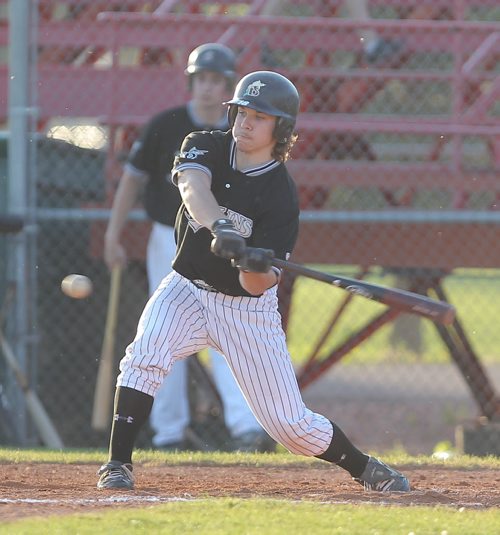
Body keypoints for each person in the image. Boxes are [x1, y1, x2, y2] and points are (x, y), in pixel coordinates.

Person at [96, 70, 410, 493]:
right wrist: (222, 228)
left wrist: (254, 263)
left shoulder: (280, 195)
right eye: (241, 111)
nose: (244, 122)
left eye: (258, 117)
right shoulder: (204, 143)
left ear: (280, 128)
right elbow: (192, 188)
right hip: (186, 287)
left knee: (290, 426)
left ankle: (364, 467)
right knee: (144, 357)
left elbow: (257, 286)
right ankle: (117, 464)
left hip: (244, 311)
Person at [103, 42, 273, 453]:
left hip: (225, 240)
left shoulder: (237, 134)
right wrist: (113, 234)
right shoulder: (166, 124)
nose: (208, 88)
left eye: (216, 80)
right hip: (169, 239)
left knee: (230, 327)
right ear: (191, 82)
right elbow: (132, 180)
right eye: (201, 79)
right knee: (162, 332)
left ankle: (246, 427)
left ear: (229, 87)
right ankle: (169, 432)